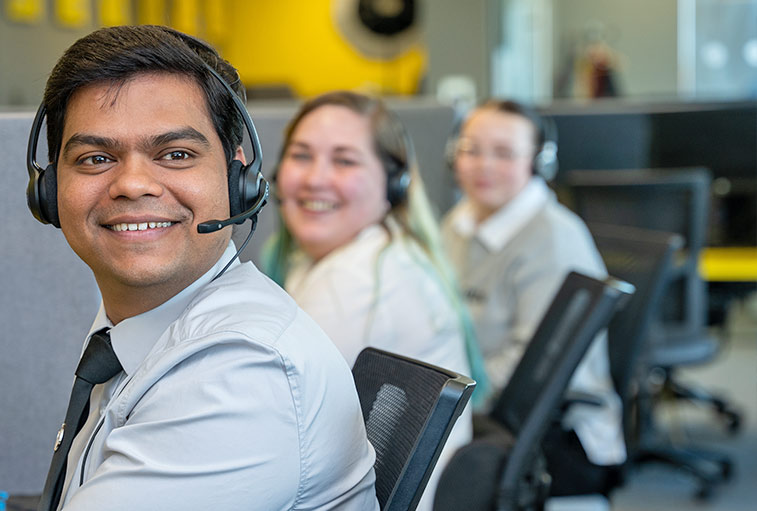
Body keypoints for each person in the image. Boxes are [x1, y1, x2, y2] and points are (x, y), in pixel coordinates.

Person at [28, 26, 377, 510]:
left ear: (237, 181)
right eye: (96, 158)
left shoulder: (242, 375)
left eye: (176, 154)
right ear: (50, 190)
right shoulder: (144, 328)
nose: (132, 183)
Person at [263, 91, 488, 511]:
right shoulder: (380, 252)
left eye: (345, 160)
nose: (315, 178)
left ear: (393, 183)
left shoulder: (355, 281)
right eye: (301, 155)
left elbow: (264, 428)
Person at [441, 99, 624, 495]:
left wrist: (443, 406)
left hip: (551, 433)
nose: (483, 165)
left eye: (504, 153)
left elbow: (531, 368)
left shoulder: (552, 239)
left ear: (539, 162)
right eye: (471, 149)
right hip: (486, 406)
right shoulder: (459, 222)